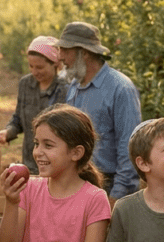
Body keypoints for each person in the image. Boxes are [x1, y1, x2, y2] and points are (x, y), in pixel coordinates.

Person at [0, 104, 111, 242]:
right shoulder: (28, 189)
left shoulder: (95, 199)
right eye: (37, 143)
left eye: (48, 145)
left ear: (76, 152)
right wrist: (11, 202)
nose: (38, 152)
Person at [56, 22, 141, 203]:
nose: (60, 56)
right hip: (78, 183)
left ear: (84, 53)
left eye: (65, 49)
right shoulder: (74, 87)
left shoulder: (120, 89)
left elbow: (129, 148)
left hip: (107, 186)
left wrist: (116, 197)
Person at [0, 35, 68, 174]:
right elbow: (19, 119)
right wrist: (7, 132)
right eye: (31, 66)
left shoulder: (65, 89)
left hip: (56, 166)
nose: (34, 72)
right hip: (29, 162)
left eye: (39, 67)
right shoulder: (25, 84)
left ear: (55, 64)